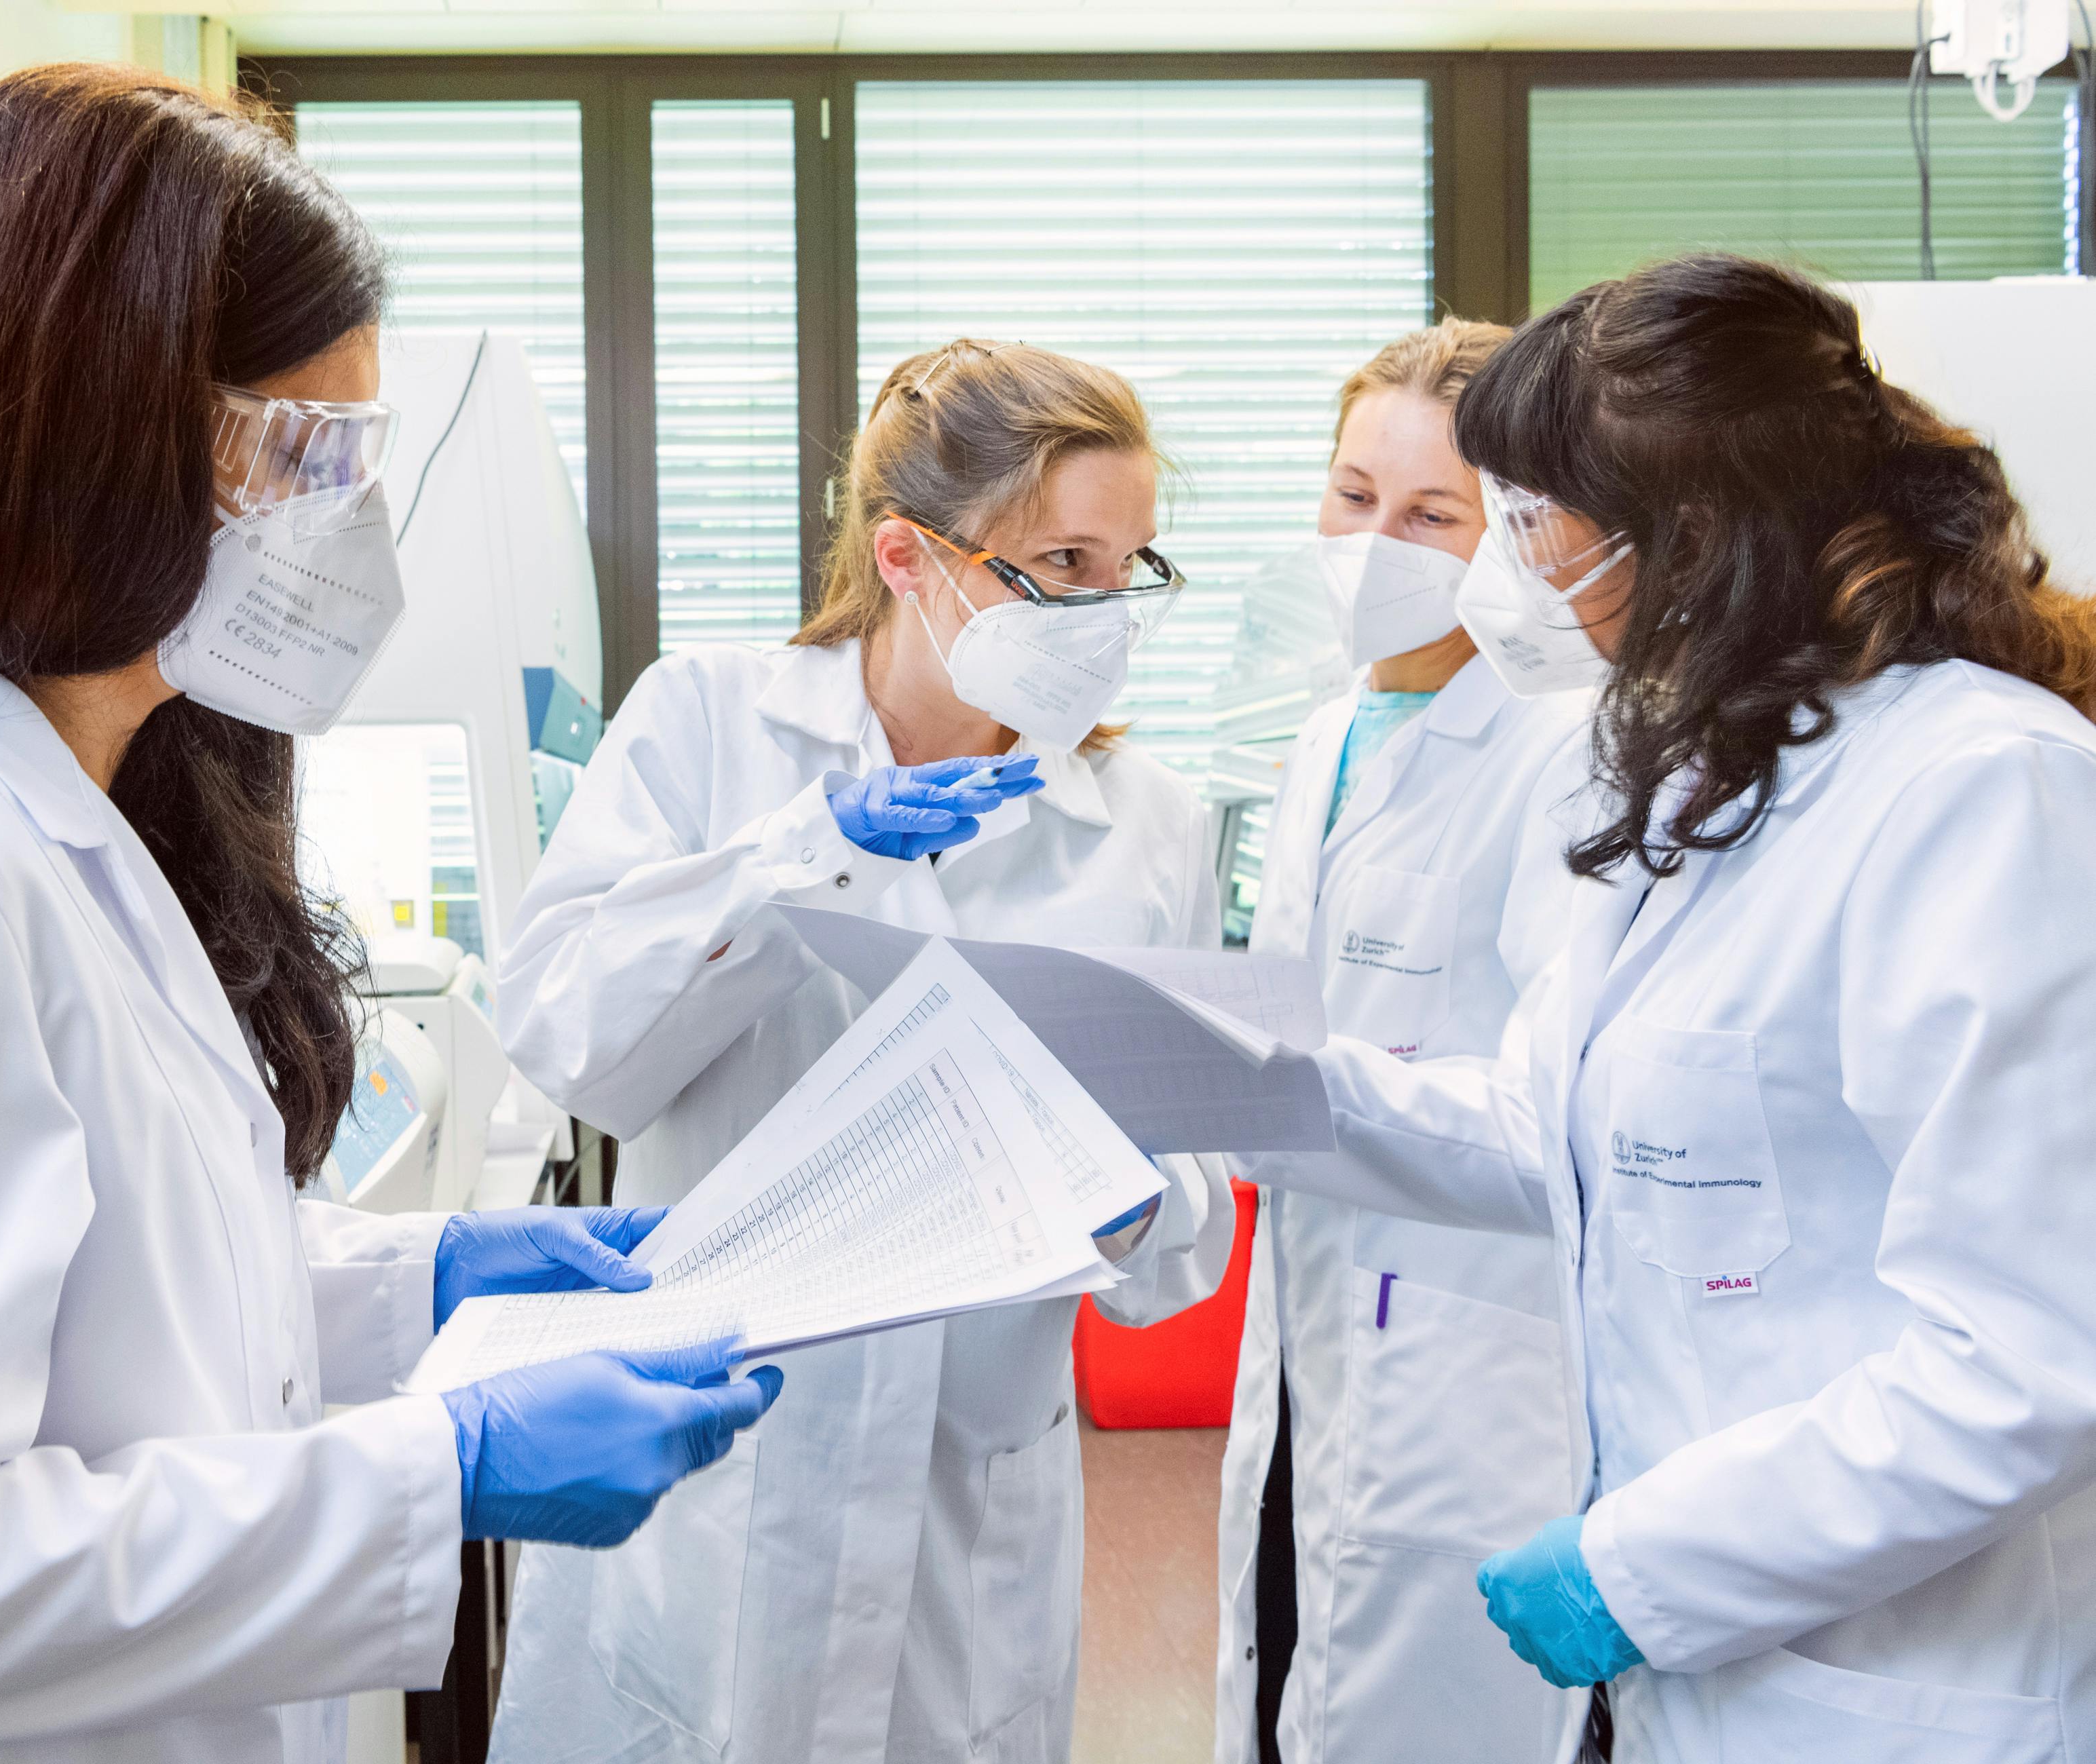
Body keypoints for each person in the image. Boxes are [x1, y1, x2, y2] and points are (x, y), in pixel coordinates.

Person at [0, 66, 775, 1764]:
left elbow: (119, 1306)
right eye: (315, 453)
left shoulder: (59, 805)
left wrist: (428, 1286)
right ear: (91, 420)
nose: (357, 529)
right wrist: (435, 1468)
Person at [1240, 254, 2096, 1759]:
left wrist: (1644, 1569)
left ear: (1685, 535)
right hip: (1695, 1676)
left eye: (1522, 515)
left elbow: (2035, 1351)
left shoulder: (1981, 789)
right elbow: (1546, 1125)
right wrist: (1243, 1082)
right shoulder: (1718, 776)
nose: (1502, 564)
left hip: (1893, 1687)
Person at [487, 340, 1230, 1763]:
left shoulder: (1149, 821)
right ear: (908, 554)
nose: (1105, 611)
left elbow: (1177, 1259)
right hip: (717, 1460)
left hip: (969, 1504)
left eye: (1132, 565)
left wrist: (1140, 1198)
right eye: (1062, 562)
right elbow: (574, 1044)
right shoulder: (709, 725)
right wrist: (795, 864)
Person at [1217, 319, 1594, 1764]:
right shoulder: (1326, 734)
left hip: (1465, 1361)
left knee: (1432, 1708)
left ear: (1510, 532)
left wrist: (1273, 1090)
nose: (1378, 541)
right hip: (1311, 1331)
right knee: (1288, 1656)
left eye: (1432, 513)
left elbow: (1555, 1111)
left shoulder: (1568, 743)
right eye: (1351, 494)